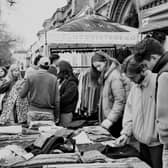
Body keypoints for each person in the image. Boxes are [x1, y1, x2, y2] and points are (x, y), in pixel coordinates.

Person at [115, 57, 163, 168]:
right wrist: (126, 133)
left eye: (132, 77)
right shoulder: (135, 88)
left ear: (142, 70)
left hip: (158, 144)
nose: (131, 80)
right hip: (142, 142)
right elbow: (130, 112)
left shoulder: (159, 82)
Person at [90, 51, 127, 138]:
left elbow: (120, 100)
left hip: (115, 120)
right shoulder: (108, 76)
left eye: (99, 66)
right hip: (112, 118)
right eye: (96, 68)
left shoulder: (114, 76)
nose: (98, 69)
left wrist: (110, 120)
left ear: (105, 61)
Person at [19, 57, 60, 124]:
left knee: (32, 133)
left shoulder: (30, 77)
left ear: (38, 65)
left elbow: (22, 95)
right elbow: (57, 100)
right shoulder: (54, 79)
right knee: (47, 134)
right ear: (49, 66)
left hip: (33, 111)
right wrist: (57, 116)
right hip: (48, 113)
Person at [56, 60, 78, 127]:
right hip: (62, 111)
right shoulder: (62, 80)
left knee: (65, 132)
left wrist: (56, 100)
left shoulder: (71, 82)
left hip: (66, 112)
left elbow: (67, 97)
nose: (57, 71)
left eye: (58, 68)